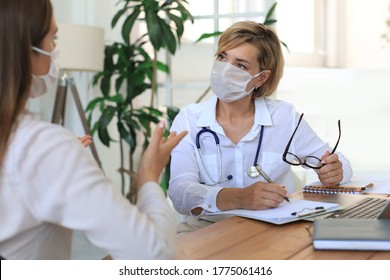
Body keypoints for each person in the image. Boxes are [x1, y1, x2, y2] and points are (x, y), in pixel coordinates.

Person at [0, 0, 187, 259]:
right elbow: (155, 257)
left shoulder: (39, 149)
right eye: (52, 39)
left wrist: (59, 162)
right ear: (23, 50)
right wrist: (148, 179)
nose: (55, 50)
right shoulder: (43, 148)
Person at [168, 21, 353, 231]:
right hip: (205, 229)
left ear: (261, 77)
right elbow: (180, 192)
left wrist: (334, 172)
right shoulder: (189, 119)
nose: (225, 70)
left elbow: (340, 164)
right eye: (222, 57)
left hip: (273, 230)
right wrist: (238, 198)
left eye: (240, 65)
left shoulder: (283, 117)